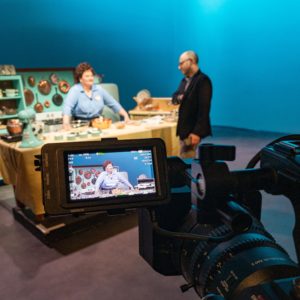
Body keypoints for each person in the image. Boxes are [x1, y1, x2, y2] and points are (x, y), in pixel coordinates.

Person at [63, 62, 130, 130]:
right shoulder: (75, 90)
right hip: (81, 126)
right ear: (80, 79)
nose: (91, 78)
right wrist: (66, 123)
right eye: (87, 76)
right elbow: (68, 107)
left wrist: (125, 115)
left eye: (91, 75)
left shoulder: (99, 89)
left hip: (98, 125)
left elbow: (113, 103)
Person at [172, 50, 212, 158]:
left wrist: (197, 132)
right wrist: (180, 97)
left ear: (190, 61)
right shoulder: (185, 81)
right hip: (183, 130)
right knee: (183, 159)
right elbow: (175, 96)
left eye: (181, 63)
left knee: (186, 160)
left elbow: (204, 108)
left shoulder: (203, 80)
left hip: (191, 131)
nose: (179, 67)